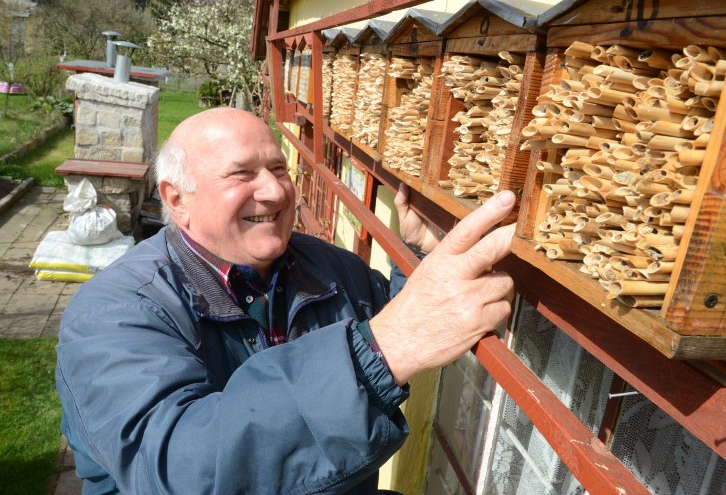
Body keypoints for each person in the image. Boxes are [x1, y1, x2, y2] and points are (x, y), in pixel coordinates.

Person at [56, 108, 517, 494]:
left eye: (278, 169)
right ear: (177, 200)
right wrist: (383, 352)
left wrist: (419, 253)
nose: (275, 191)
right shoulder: (113, 312)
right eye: (242, 174)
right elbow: (182, 468)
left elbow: (399, 320)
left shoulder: (330, 268)